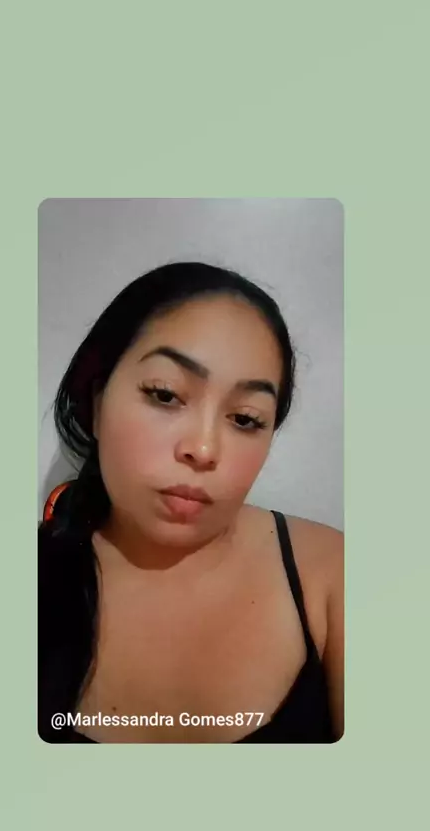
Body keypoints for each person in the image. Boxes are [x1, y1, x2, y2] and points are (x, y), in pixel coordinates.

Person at [38, 261, 344, 743]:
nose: (203, 449)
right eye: (165, 394)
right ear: (97, 403)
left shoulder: (334, 575)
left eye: (245, 419)